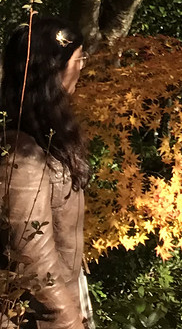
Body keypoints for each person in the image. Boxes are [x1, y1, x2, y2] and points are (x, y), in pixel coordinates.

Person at [0, 17, 91, 329]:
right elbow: (34, 263)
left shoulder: (45, 137)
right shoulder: (20, 153)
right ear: (55, 69)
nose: (82, 66)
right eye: (79, 58)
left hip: (64, 299)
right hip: (41, 318)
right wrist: (68, 321)